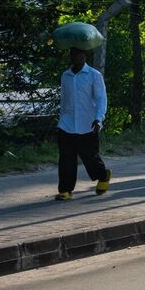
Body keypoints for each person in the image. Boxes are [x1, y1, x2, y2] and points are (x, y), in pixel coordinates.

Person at [55, 46, 112, 200]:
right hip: (66, 124)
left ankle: (103, 175)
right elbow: (64, 99)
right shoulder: (65, 75)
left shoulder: (94, 75)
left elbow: (101, 98)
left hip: (88, 123)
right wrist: (60, 120)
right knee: (66, 158)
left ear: (85, 56)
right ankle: (65, 190)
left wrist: (99, 118)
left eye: (80, 54)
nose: (77, 57)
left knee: (90, 156)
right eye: (73, 54)